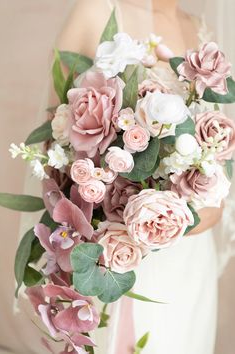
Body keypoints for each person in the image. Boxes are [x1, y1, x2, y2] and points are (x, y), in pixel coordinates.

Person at [55, 1, 224, 353]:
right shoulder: (96, 11)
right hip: (128, 249)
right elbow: (58, 143)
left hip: (194, 251)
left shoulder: (198, 28)